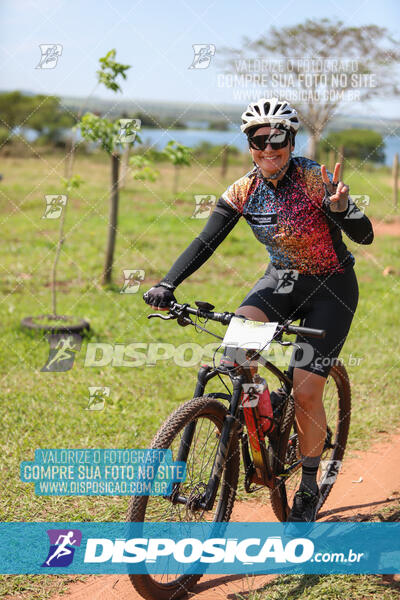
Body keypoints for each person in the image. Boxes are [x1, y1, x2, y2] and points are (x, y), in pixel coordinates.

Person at [143, 97, 374, 522]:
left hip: (331, 287)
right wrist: (167, 283)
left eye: (277, 139)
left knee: (307, 391)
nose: (268, 149)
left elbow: (366, 236)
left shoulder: (315, 179)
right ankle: (266, 419)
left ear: (291, 138)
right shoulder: (242, 190)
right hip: (281, 282)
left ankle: (306, 485)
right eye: (258, 140)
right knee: (235, 353)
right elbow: (205, 241)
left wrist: (342, 210)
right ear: (249, 144)